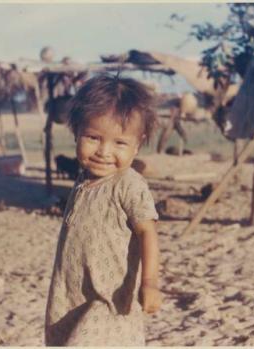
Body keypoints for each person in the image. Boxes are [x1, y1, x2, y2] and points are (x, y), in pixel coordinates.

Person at [44, 74, 162, 346]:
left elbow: (148, 232)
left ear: (137, 145)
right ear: (76, 132)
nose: (104, 151)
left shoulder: (128, 185)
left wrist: (150, 281)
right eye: (93, 138)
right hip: (70, 296)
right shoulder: (83, 179)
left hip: (109, 300)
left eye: (119, 143)